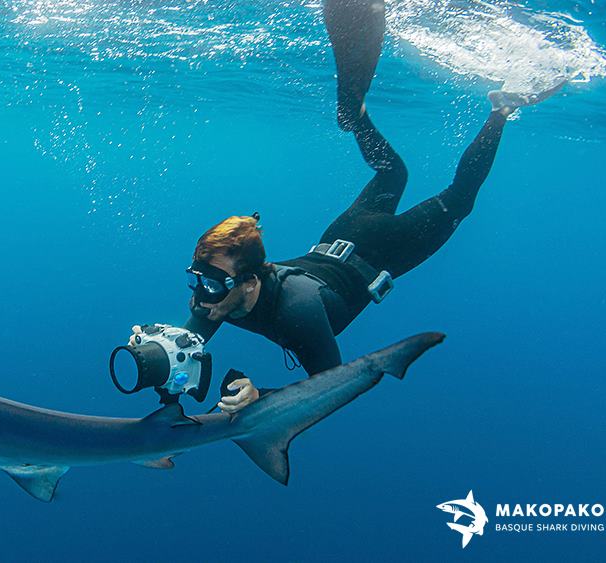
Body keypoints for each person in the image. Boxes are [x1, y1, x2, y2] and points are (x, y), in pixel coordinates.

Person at [134, 0, 563, 413]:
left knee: (459, 200)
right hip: (341, 237)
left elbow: (333, 384)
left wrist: (261, 395)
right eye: (198, 278)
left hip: (380, 249)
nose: (202, 294)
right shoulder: (213, 296)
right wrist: (158, 349)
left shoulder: (296, 312)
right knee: (393, 176)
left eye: (212, 282)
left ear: (249, 282)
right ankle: (353, 116)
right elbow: (189, 345)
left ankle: (501, 109)